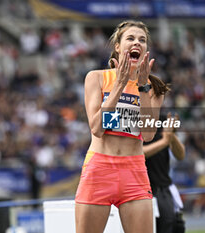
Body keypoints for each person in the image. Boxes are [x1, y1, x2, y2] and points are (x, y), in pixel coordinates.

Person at [75, 20, 169, 233]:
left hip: (133, 172)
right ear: (117, 46)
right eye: (131, 38)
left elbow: (147, 134)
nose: (137, 42)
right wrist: (119, 84)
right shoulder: (96, 78)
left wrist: (143, 88)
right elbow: (96, 128)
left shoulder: (154, 88)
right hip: (99, 169)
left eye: (142, 40)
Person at [144, 112, 186, 233]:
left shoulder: (161, 120)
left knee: (173, 226)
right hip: (142, 189)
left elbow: (180, 155)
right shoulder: (134, 118)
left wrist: (171, 137)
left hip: (163, 189)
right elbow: (136, 153)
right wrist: (164, 142)